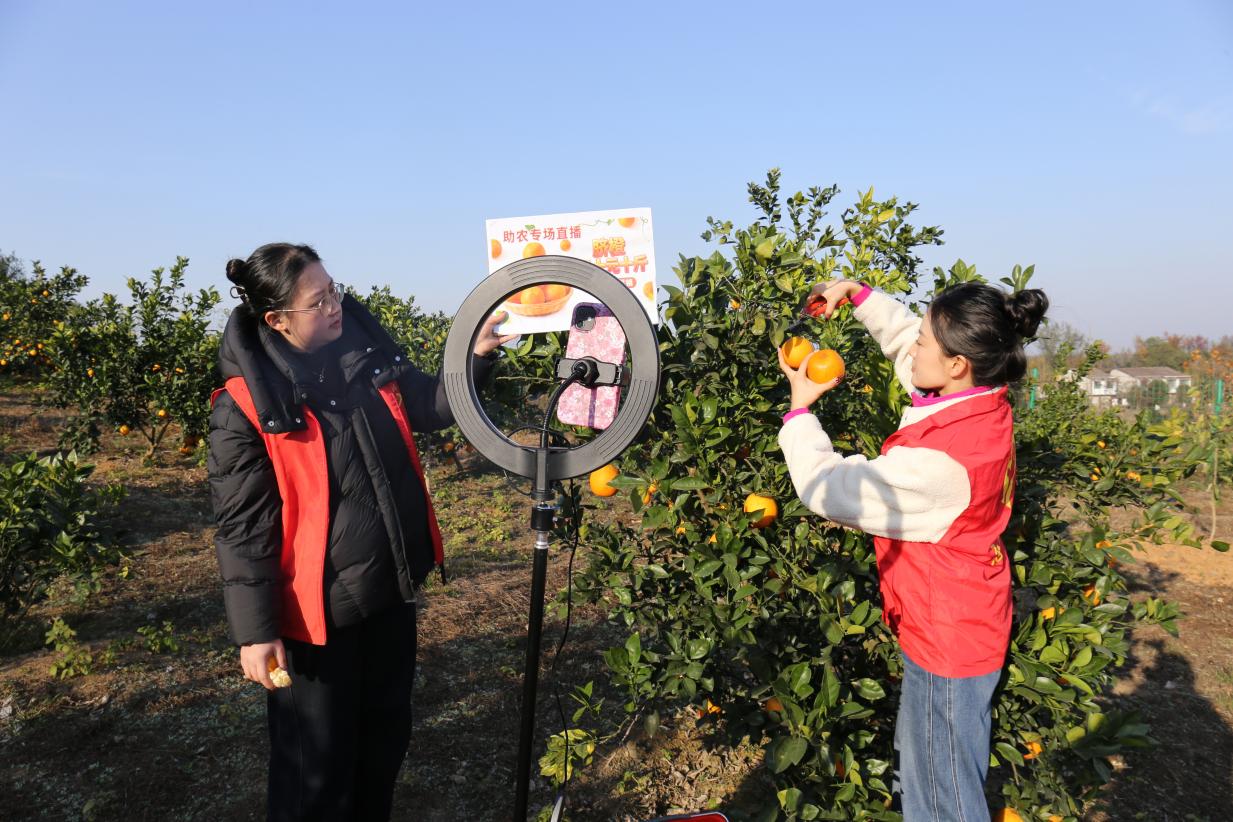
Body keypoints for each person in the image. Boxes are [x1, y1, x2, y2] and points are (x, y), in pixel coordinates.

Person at [207, 242, 513, 821]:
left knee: (381, 749)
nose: (335, 306)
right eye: (318, 300)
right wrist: (255, 633)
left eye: (335, 290)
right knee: (314, 776)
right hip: (313, 624)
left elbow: (431, 405)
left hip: (388, 597)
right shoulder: (246, 406)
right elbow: (244, 529)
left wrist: (474, 358)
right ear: (277, 320)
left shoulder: (368, 360)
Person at [776, 279, 1048, 821]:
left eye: (927, 341)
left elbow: (829, 490)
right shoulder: (979, 403)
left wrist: (800, 413)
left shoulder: (941, 465)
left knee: (944, 800)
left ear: (956, 364)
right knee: (924, 783)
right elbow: (907, 345)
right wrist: (858, 296)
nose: (914, 347)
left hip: (949, 641)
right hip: (955, 619)